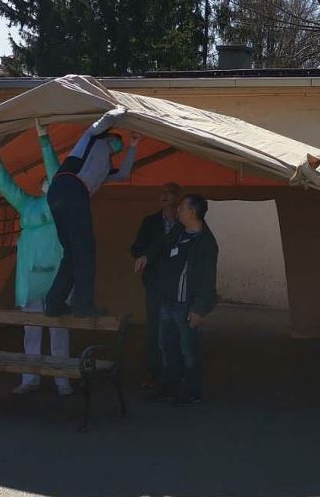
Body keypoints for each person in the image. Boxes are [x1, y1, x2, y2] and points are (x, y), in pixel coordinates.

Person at [0, 120, 73, 396]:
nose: (49, 182)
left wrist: (43, 138)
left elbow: (55, 169)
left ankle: (62, 380)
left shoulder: (61, 206)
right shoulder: (27, 204)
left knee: (59, 332)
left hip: (56, 275)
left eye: (53, 181)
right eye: (46, 182)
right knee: (32, 333)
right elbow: (7, 187)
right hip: (30, 276)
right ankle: (30, 378)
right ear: (40, 187)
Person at [43, 110, 141, 317]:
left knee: (72, 252)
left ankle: (54, 303)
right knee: (85, 250)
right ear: (109, 136)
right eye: (117, 141)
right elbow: (104, 121)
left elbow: (123, 174)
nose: (117, 146)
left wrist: (132, 147)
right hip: (72, 188)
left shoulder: (105, 167)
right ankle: (83, 305)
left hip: (60, 193)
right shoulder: (91, 137)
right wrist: (120, 110)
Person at [137, 194, 218, 406]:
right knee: (166, 346)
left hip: (186, 306)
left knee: (189, 350)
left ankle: (192, 392)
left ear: (193, 212)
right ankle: (168, 387)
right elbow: (160, 245)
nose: (177, 210)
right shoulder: (178, 232)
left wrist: (199, 309)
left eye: (182, 207)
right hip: (167, 301)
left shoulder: (206, 243)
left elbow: (207, 280)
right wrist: (147, 256)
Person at [129, 182, 182, 388]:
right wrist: (145, 256)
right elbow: (136, 248)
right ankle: (153, 372)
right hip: (155, 283)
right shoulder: (150, 222)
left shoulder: (186, 222)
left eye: (169, 193)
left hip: (179, 284)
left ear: (178, 197)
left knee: (179, 327)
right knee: (155, 327)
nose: (164, 196)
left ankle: (177, 372)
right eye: (162, 193)